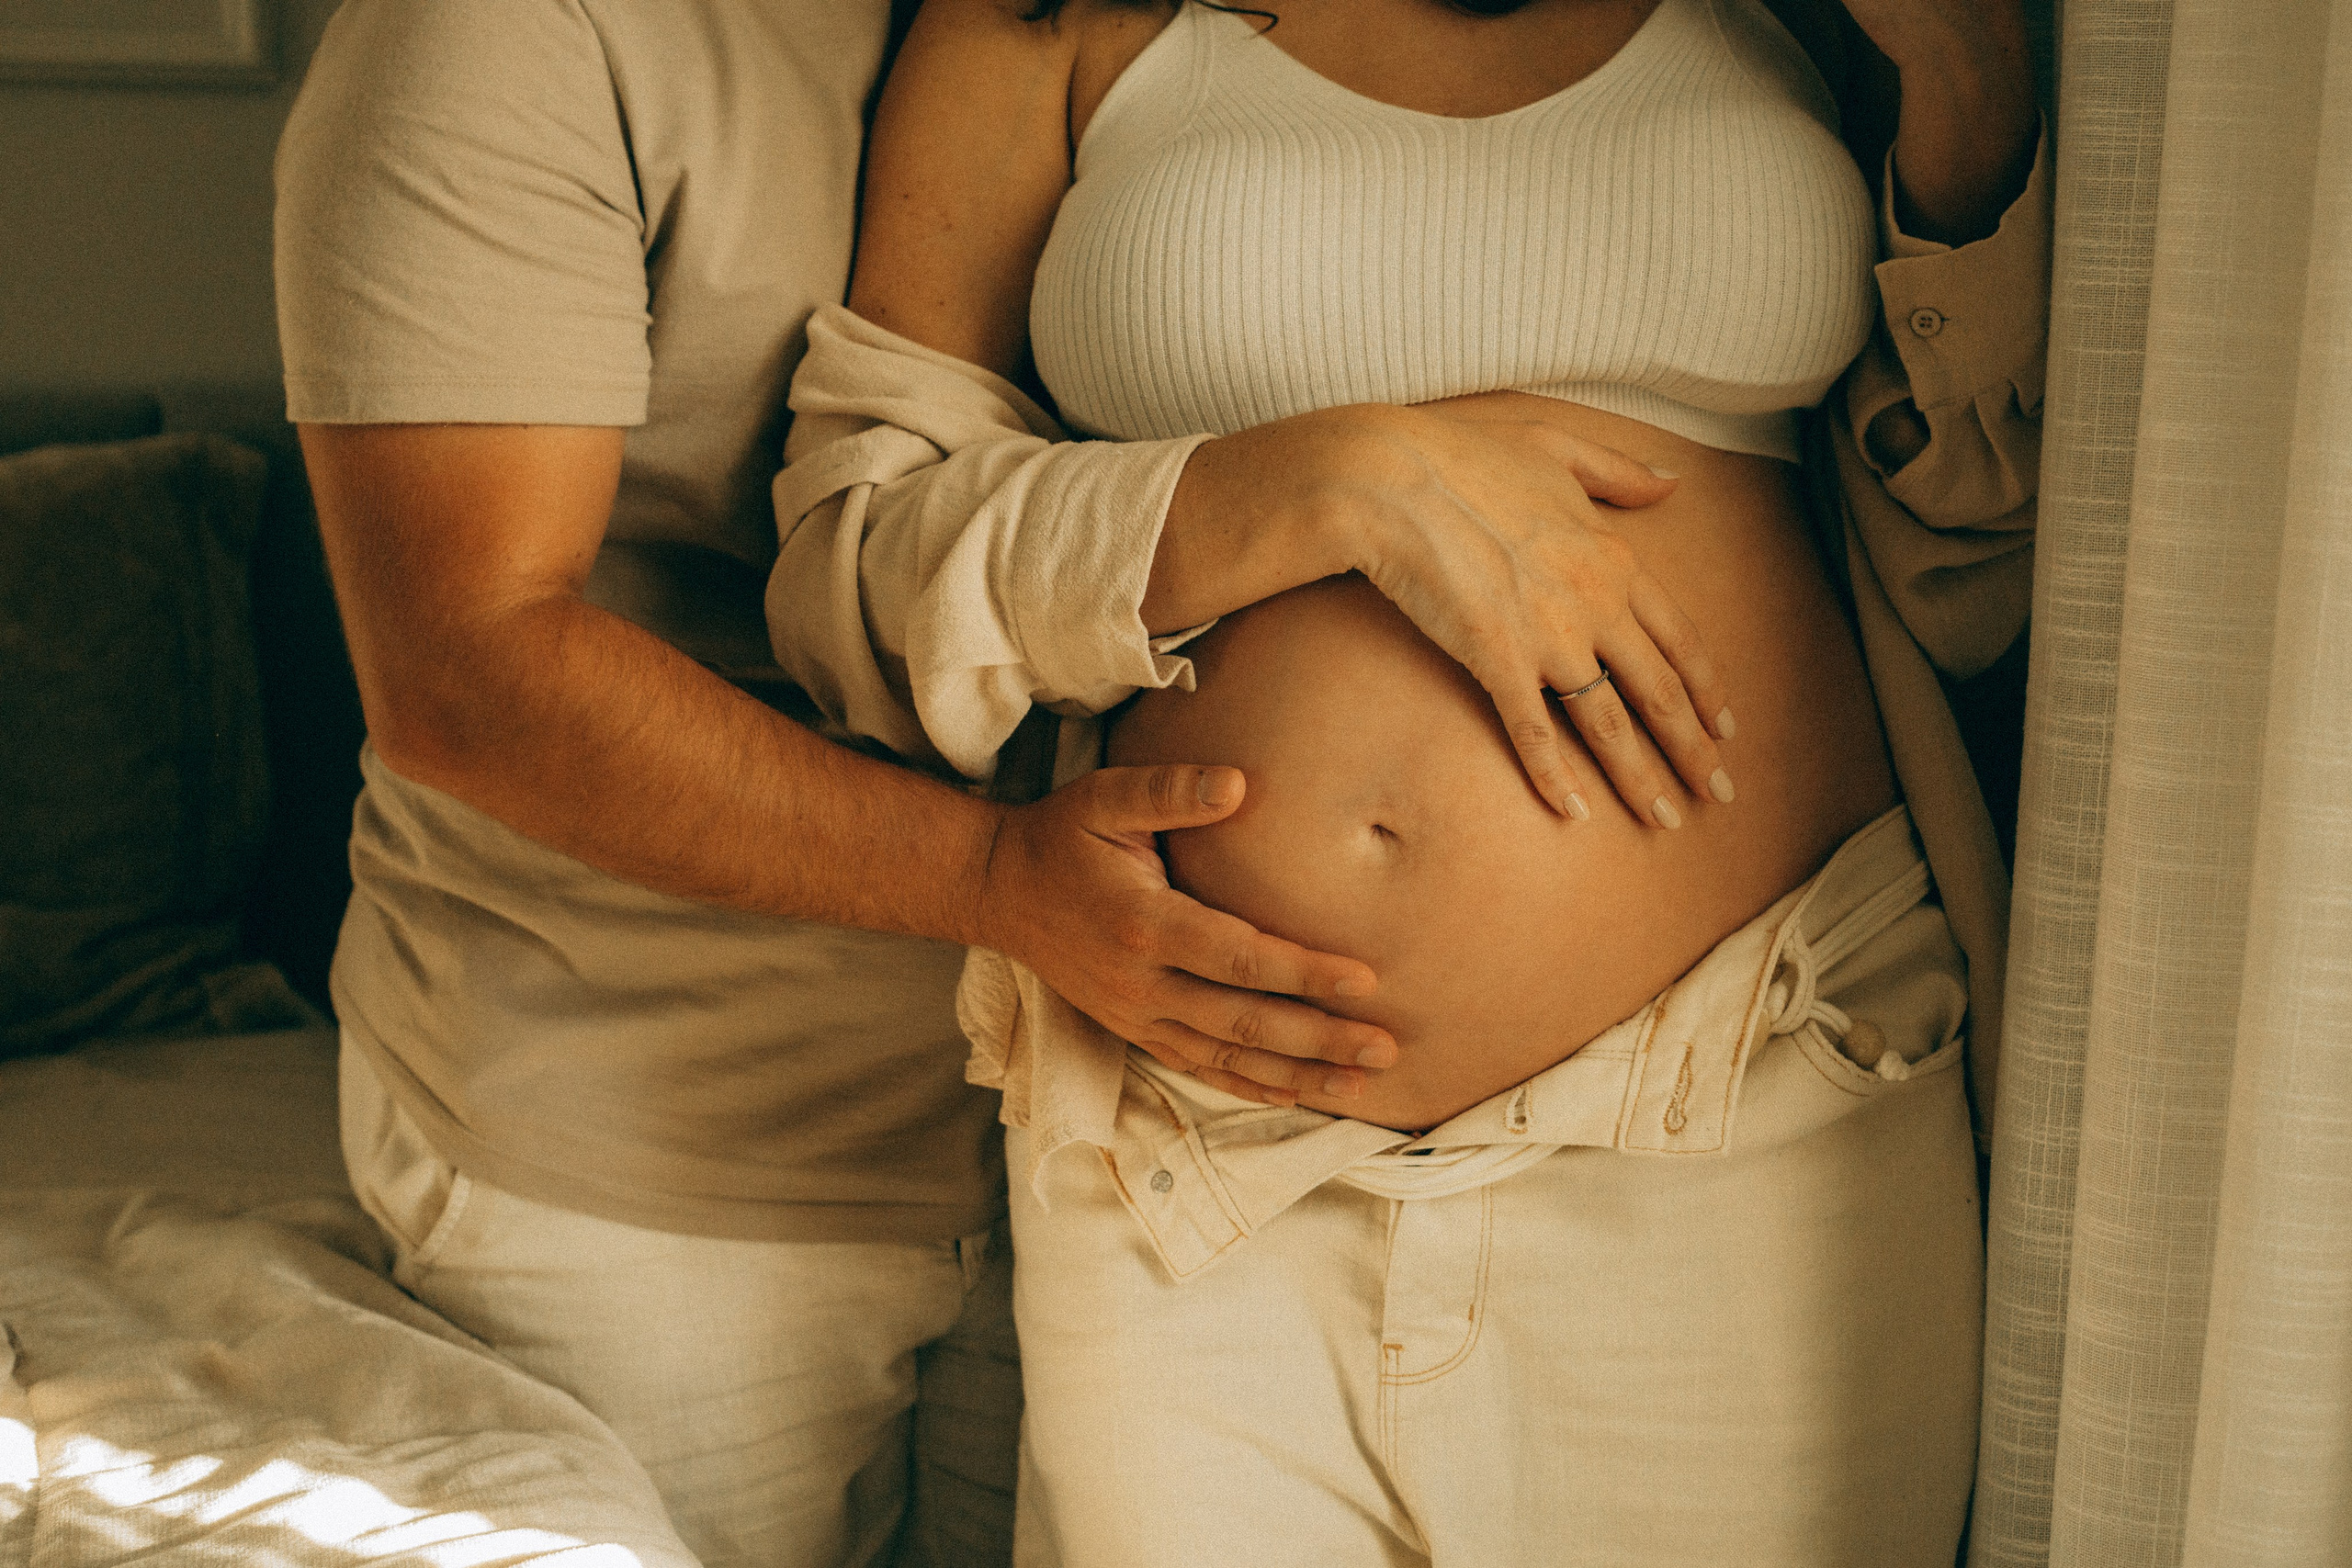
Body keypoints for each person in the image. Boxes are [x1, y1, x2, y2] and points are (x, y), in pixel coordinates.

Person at [766, 0, 2049, 1561]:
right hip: (1197, 1150)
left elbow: (1994, 551)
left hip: (1754, 1090)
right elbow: (854, 575)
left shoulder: (1797, 21)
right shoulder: (1050, 23)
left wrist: (1972, 82)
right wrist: (1321, 482)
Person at [271, 2, 1446, 1563]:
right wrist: (995, 880)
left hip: (1109, 1127)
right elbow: (467, 671)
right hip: (651, 1144)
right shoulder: (506, 33)